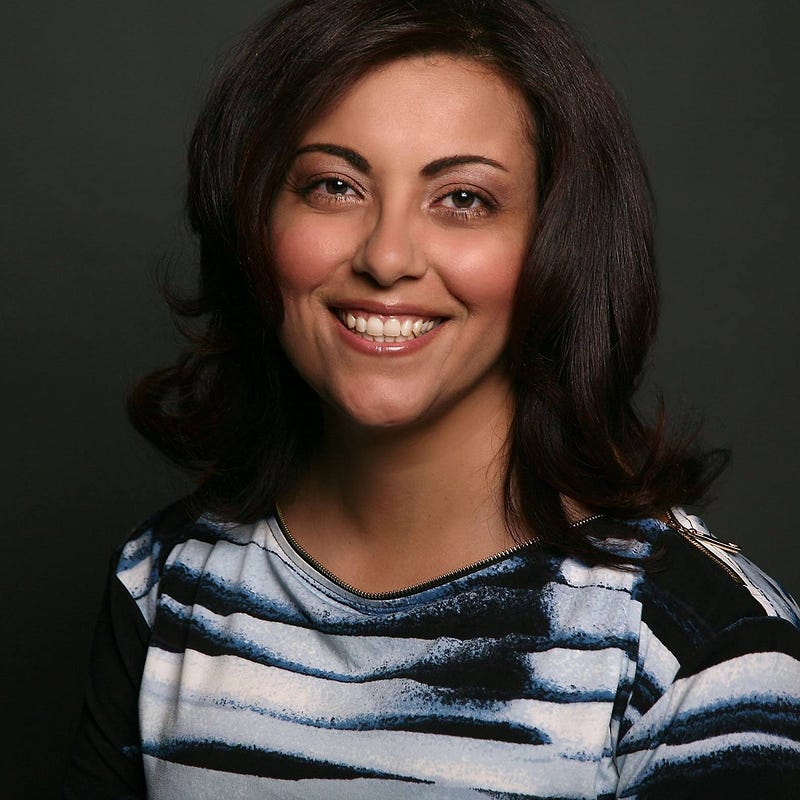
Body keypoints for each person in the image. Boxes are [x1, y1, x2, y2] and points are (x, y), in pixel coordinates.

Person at [63, 0, 800, 797]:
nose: (387, 258)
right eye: (334, 186)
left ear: (558, 243)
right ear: (252, 218)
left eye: (463, 199)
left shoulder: (703, 647)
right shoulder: (165, 580)